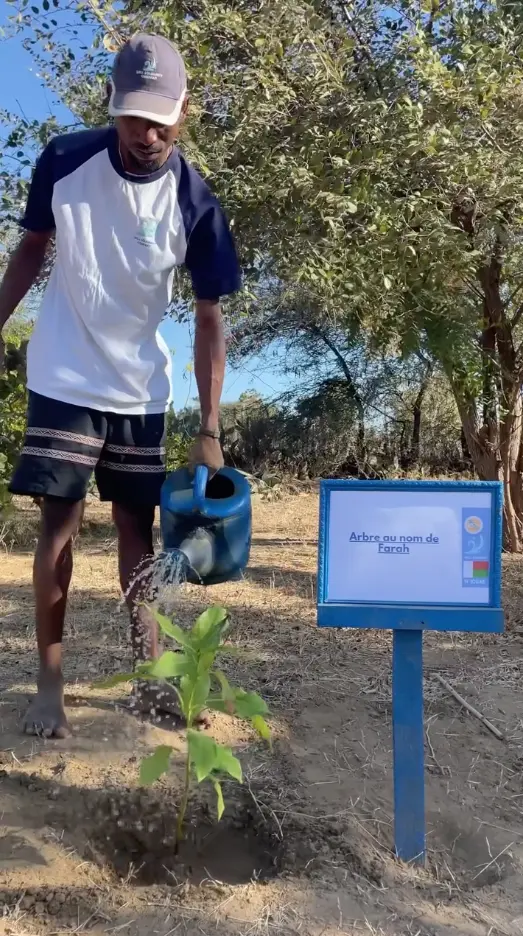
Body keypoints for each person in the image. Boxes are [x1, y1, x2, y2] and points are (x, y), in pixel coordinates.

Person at [0, 33, 241, 738]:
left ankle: (151, 681)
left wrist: (209, 429)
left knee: (139, 532)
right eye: (134, 117)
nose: (147, 134)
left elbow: (209, 319)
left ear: (184, 111)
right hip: (65, 373)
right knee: (60, 526)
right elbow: (31, 251)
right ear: (111, 104)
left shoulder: (196, 203)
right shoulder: (64, 160)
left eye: (161, 119)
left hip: (140, 388)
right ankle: (50, 685)